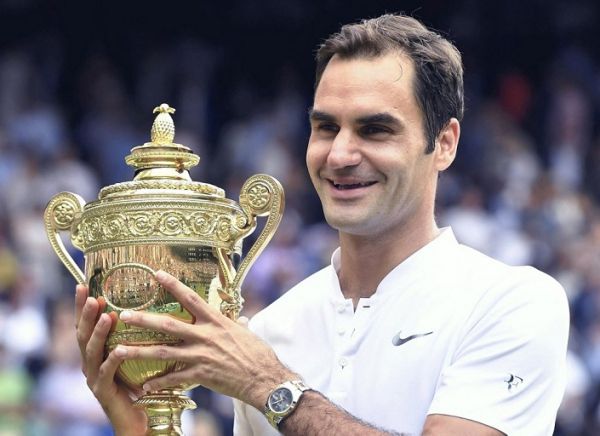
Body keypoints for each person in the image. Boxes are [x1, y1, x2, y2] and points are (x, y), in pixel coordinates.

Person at [75, 13, 570, 435]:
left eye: (375, 129)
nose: (340, 154)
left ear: (444, 144)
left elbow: (266, 382)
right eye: (326, 126)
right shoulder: (269, 331)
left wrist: (270, 386)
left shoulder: (513, 302)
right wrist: (143, 427)